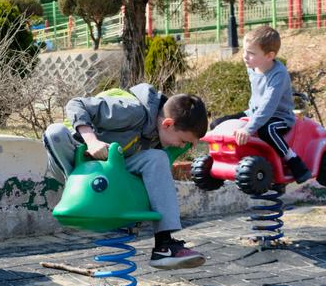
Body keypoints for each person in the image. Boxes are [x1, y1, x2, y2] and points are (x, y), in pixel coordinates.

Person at [43, 84, 208, 270]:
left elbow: (159, 157)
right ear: (167, 124)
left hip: (116, 167)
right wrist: (91, 141)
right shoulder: (132, 111)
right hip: (81, 162)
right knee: (55, 132)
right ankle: (75, 189)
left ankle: (164, 245)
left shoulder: (161, 134)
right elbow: (76, 104)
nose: (180, 147)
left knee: (157, 158)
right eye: (183, 141)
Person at [211, 26, 312, 183]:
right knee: (218, 124)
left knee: (267, 130)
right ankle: (222, 161)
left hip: (279, 116)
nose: (245, 56)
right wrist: (249, 120)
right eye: (245, 51)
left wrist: (249, 128)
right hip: (253, 112)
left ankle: (294, 161)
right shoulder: (253, 67)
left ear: (269, 55)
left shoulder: (278, 74)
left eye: (251, 53)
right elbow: (257, 105)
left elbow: (268, 105)